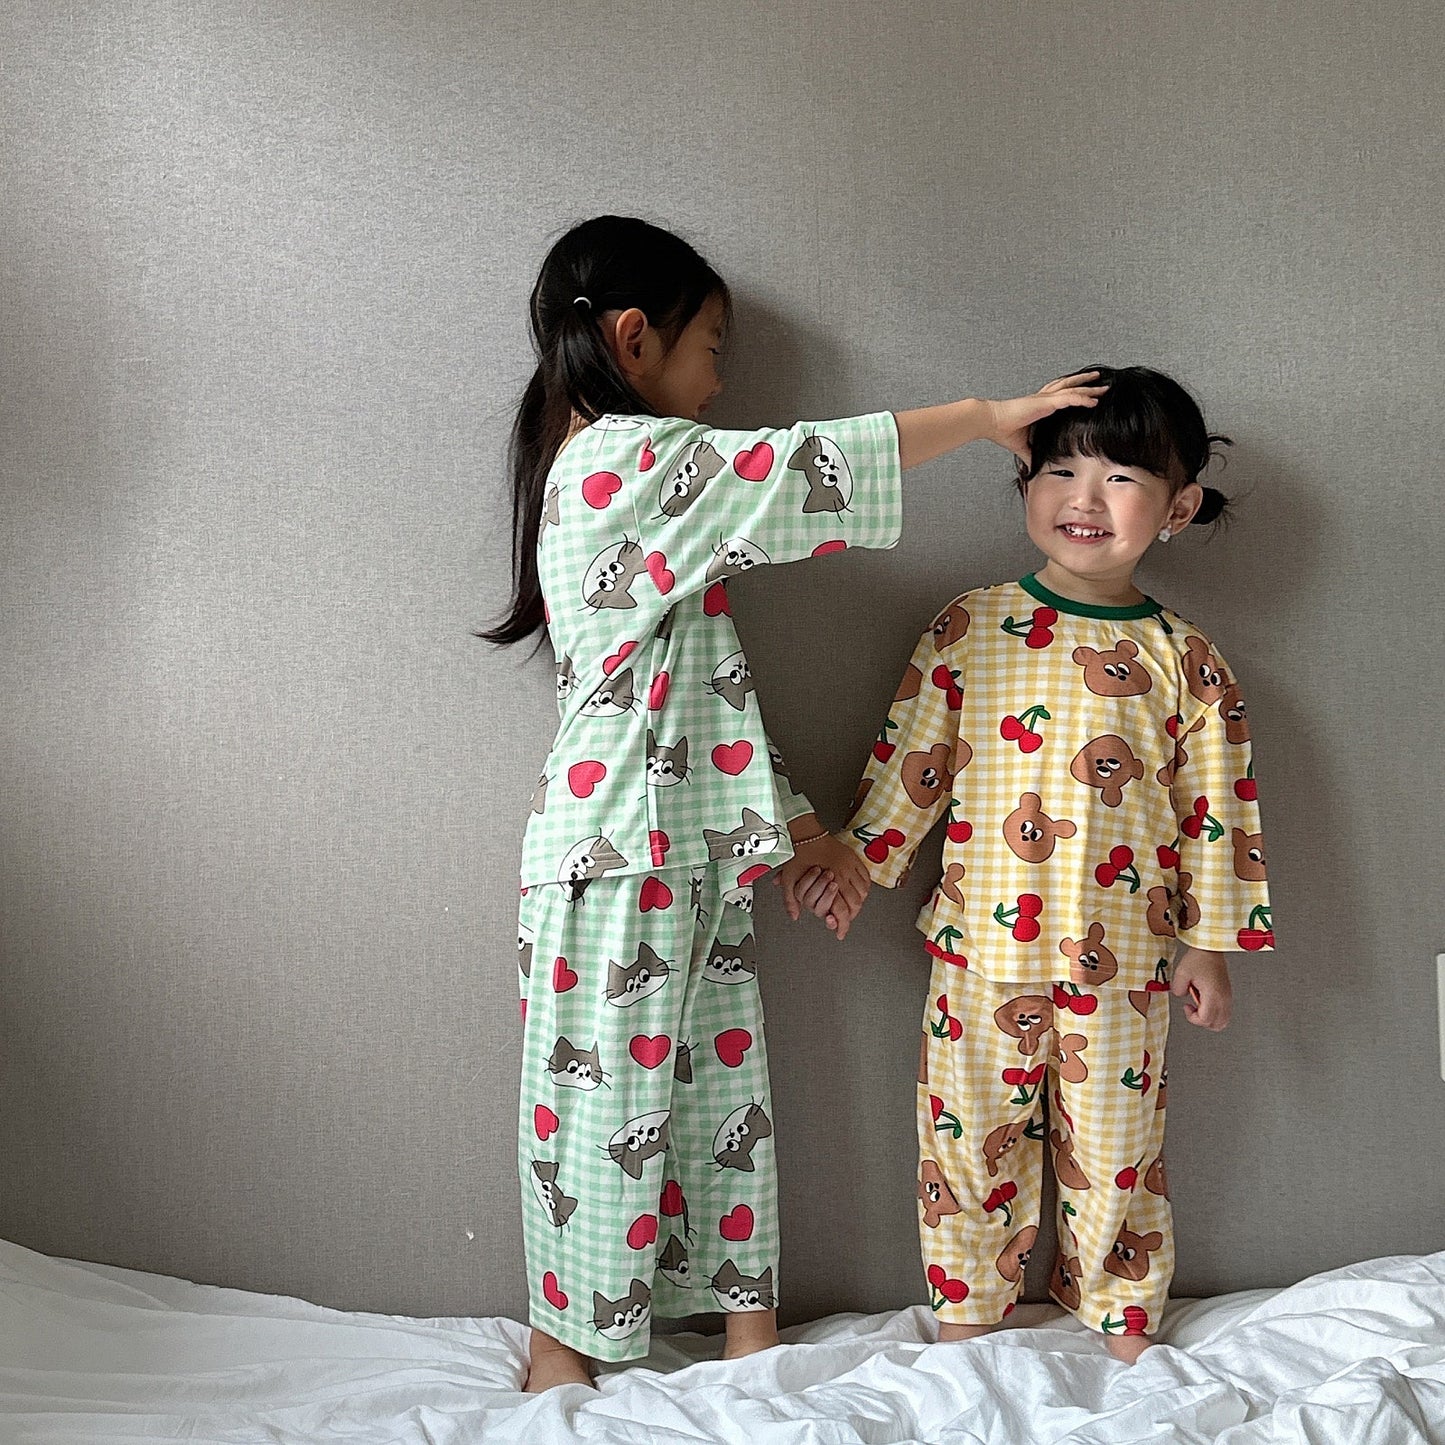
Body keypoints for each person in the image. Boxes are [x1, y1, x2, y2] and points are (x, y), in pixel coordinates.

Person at [483, 213, 1105, 1390]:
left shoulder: (661, 511)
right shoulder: (622, 460)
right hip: (609, 853)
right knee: (597, 1106)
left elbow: (708, 696)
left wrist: (812, 835)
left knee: (722, 1091)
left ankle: (745, 1327)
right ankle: (560, 1343)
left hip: (687, 848)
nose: (721, 382)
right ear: (631, 339)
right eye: (710, 350)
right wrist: (981, 416)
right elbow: (798, 462)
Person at [816, 365, 1273, 1362]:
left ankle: (1120, 1308)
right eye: (1060, 470)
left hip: (1124, 962)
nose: (1084, 497)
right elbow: (915, 762)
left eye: (1120, 477)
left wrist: (1207, 944)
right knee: (963, 1134)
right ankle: (968, 1303)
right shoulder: (969, 626)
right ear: (1024, 484)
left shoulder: (1187, 661)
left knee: (1116, 1151)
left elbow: (1216, 812)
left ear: (1177, 508)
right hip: (976, 953)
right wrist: (858, 856)